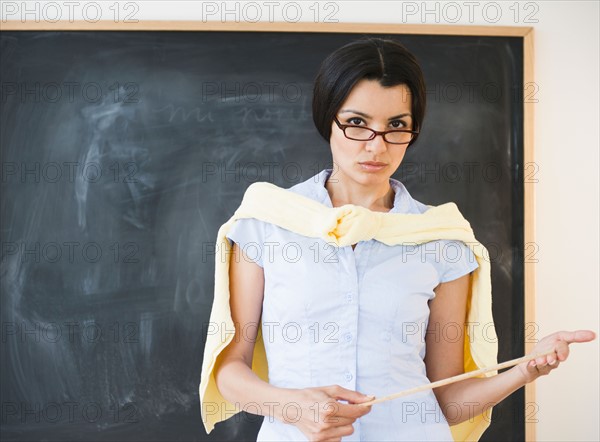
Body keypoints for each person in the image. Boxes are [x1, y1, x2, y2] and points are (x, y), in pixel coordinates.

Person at [211, 38, 595, 442]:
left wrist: (524, 370)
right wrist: (291, 407)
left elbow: (445, 398)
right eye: (357, 123)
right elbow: (230, 371)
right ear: (328, 119)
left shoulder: (441, 238)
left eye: (396, 126)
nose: (376, 146)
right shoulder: (267, 222)